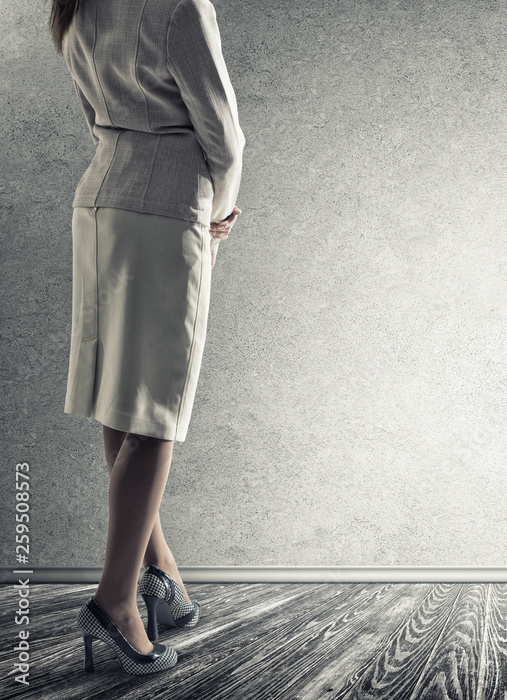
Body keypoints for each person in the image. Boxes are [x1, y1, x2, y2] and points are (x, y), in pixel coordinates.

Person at [51, 0, 245, 675]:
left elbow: (91, 112)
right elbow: (224, 135)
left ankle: (158, 572)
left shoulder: (73, 5)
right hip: (165, 208)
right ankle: (114, 603)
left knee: (120, 396)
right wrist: (219, 217)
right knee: (157, 409)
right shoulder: (179, 6)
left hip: (98, 200)